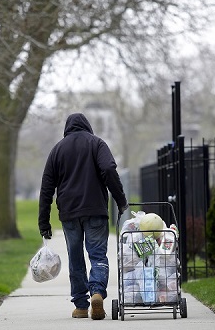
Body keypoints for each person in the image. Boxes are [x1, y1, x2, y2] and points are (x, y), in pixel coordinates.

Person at [38, 113, 129, 320]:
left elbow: (46, 188)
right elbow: (108, 168)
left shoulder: (57, 150)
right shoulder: (97, 144)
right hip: (95, 209)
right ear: (87, 126)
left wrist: (44, 222)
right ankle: (97, 292)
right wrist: (120, 200)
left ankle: (80, 306)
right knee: (97, 255)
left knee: (76, 258)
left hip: (69, 213)